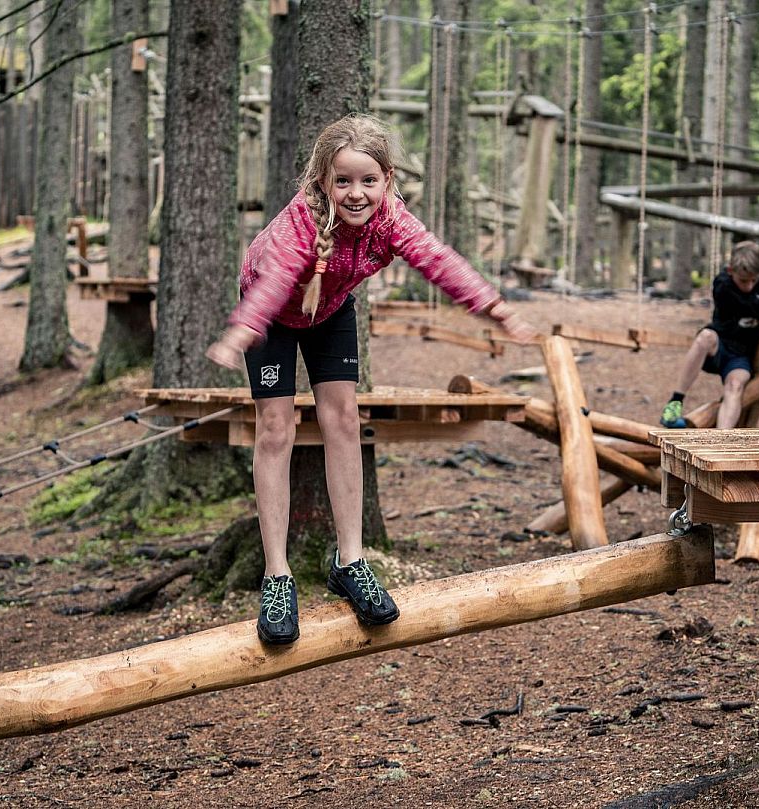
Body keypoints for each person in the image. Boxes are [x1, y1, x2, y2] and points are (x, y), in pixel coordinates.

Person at [206, 114, 538, 646]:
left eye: (368, 180)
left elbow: (437, 260)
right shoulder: (299, 227)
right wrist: (241, 332)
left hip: (331, 309)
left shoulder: (392, 221)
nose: (356, 193)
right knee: (276, 429)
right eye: (343, 181)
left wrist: (493, 308)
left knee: (343, 419)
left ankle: (350, 561)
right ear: (323, 182)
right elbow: (271, 286)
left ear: (387, 180)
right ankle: (276, 575)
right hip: (268, 316)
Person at [659, 241, 759, 430]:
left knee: (735, 386)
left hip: (742, 355)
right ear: (731, 271)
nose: (749, 286)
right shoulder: (723, 285)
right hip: (719, 347)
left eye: (754, 280)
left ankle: (723, 442)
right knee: (705, 337)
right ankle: (675, 402)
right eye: (744, 281)